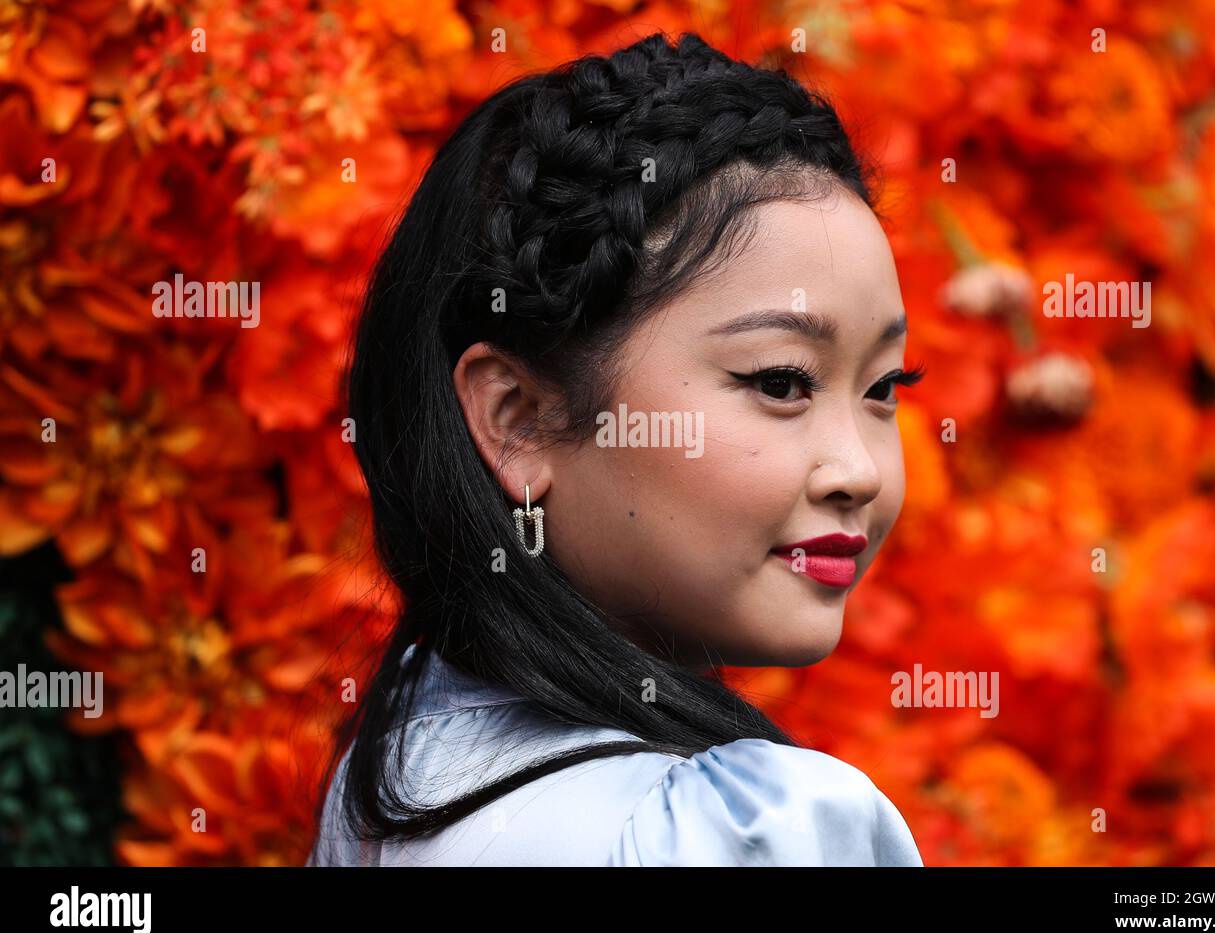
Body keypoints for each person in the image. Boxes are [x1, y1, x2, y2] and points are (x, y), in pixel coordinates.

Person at [308, 30, 926, 866]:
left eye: (884, 387)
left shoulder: (402, 775)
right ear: (517, 418)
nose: (858, 471)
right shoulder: (729, 839)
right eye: (782, 381)